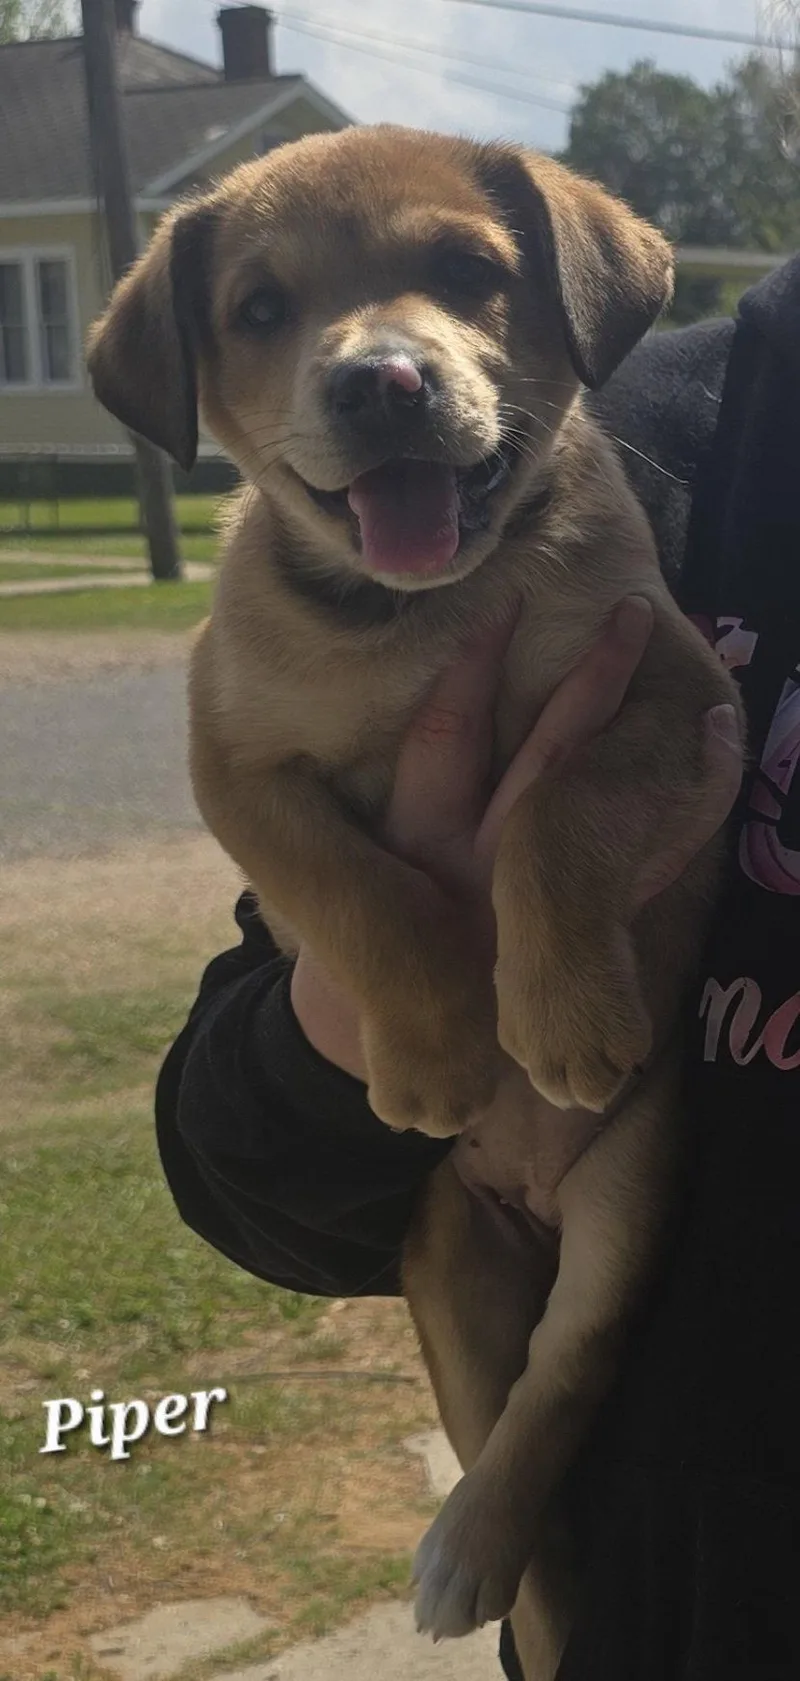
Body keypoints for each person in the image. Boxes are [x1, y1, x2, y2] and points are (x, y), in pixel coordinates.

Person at [156, 252, 800, 1678]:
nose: (378, 346)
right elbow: (252, 1167)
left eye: (459, 268)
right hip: (675, 1605)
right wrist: (381, 982)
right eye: (267, 309)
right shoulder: (639, 436)